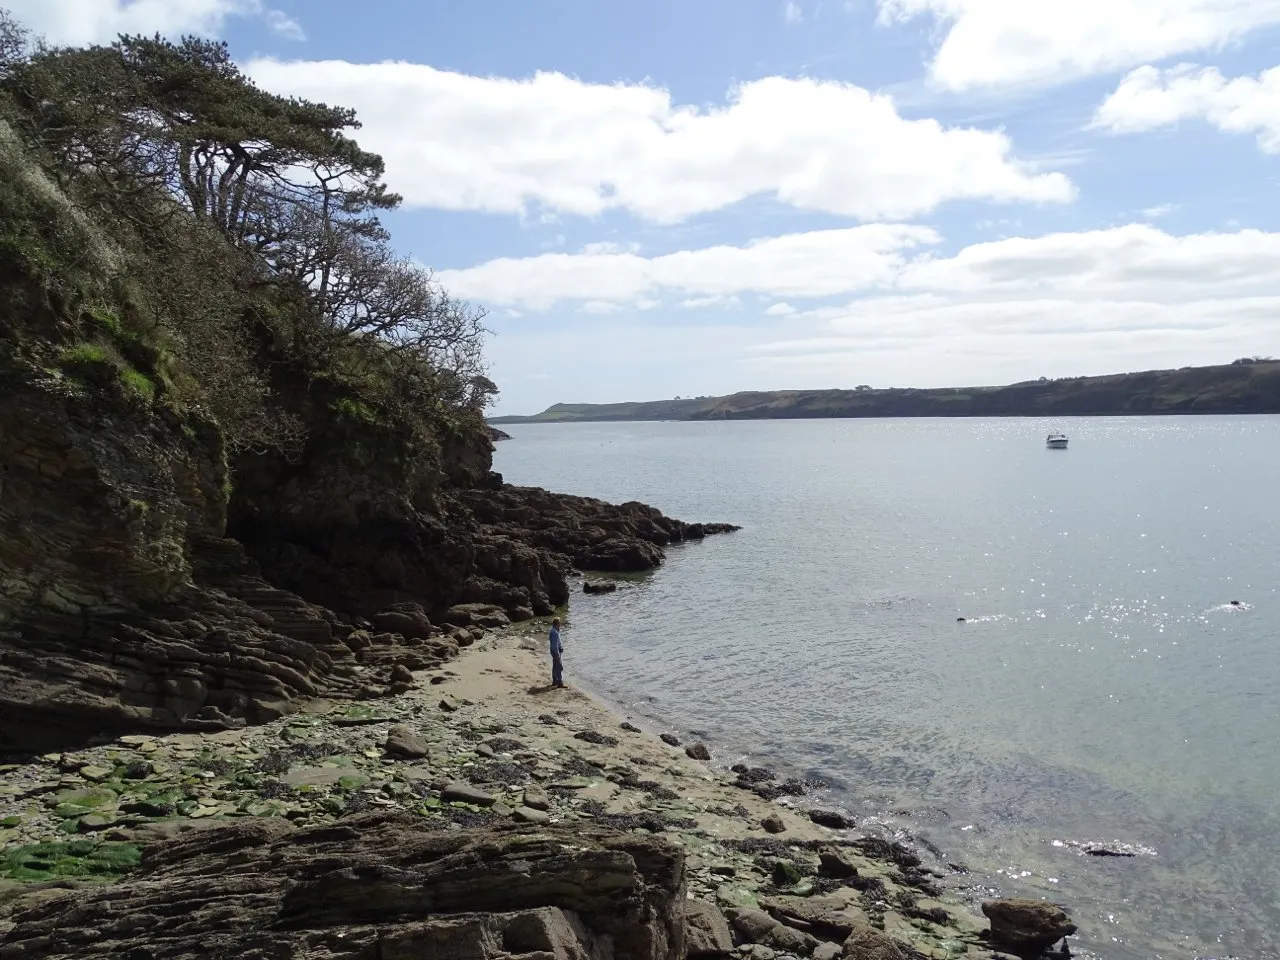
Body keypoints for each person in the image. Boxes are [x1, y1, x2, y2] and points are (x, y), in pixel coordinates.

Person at [549, 617, 565, 688]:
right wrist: (558, 654)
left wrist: (560, 647)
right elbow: (555, 645)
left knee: (555, 666)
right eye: (559, 623)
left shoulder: (553, 630)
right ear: (557, 623)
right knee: (559, 667)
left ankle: (554, 681)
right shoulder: (555, 632)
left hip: (554, 650)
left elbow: (555, 643)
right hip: (555, 651)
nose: (560, 624)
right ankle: (560, 683)